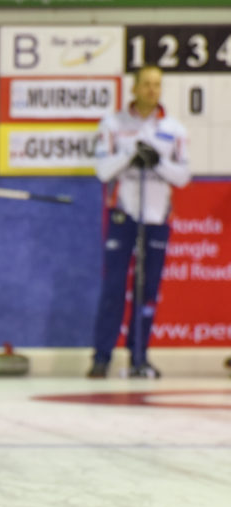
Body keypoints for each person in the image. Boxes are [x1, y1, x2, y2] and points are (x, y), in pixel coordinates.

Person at [88, 64, 190, 379]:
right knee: (114, 286)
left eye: (157, 84)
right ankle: (101, 357)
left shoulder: (174, 129)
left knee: (148, 288)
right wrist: (130, 156)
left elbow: (183, 176)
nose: (151, 90)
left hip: (157, 216)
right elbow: (102, 170)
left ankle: (139, 357)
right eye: (146, 83)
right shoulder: (113, 123)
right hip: (123, 213)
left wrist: (157, 162)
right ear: (133, 88)